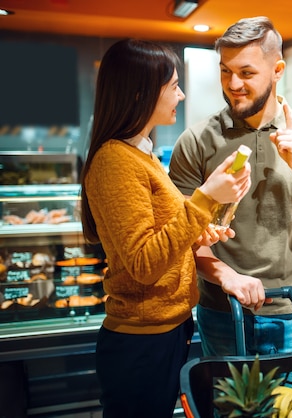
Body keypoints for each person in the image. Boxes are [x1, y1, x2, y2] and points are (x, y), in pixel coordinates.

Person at [80, 38, 251, 418]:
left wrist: (200, 232)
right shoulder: (114, 161)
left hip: (165, 331)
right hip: (141, 342)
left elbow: (161, 237)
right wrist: (206, 197)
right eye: (173, 86)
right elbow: (143, 263)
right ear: (141, 92)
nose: (183, 94)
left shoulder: (141, 151)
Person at [168, 16, 292, 357]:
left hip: (291, 313)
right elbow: (177, 235)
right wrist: (224, 274)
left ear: (278, 70)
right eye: (225, 71)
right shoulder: (195, 141)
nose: (233, 83)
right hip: (221, 312)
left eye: (247, 72)